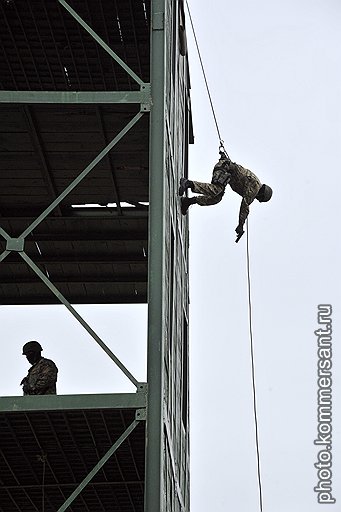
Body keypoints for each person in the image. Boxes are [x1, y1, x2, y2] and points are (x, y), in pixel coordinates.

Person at [179, 152, 273, 242]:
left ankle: (188, 201)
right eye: (260, 199)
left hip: (225, 170)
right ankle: (188, 183)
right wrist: (240, 225)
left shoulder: (254, 185)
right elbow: (245, 206)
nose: (257, 200)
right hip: (224, 168)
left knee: (216, 198)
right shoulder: (255, 187)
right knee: (216, 189)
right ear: (262, 195)